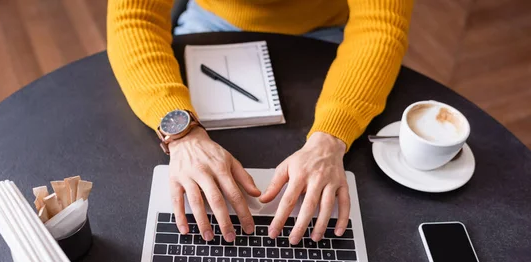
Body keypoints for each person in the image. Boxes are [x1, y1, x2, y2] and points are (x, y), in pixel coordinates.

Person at [107, 0, 413, 245]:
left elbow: (379, 26)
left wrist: (331, 137)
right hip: (214, 19)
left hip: (326, 29)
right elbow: (134, 18)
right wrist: (182, 135)